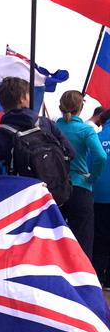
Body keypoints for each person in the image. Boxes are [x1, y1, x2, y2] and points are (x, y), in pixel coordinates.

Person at [0, 76, 75, 174]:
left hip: (21, 188)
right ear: (22, 98)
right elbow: (70, 152)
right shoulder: (45, 123)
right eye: (28, 94)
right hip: (53, 187)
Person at [55, 91, 106, 259]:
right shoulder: (85, 130)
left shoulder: (52, 128)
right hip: (80, 188)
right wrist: (92, 178)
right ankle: (83, 282)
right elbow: (100, 156)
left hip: (56, 189)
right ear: (81, 107)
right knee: (83, 240)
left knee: (57, 239)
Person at [92, 109, 110, 288]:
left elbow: (89, 164)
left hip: (98, 195)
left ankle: (97, 278)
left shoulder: (96, 137)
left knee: (100, 237)